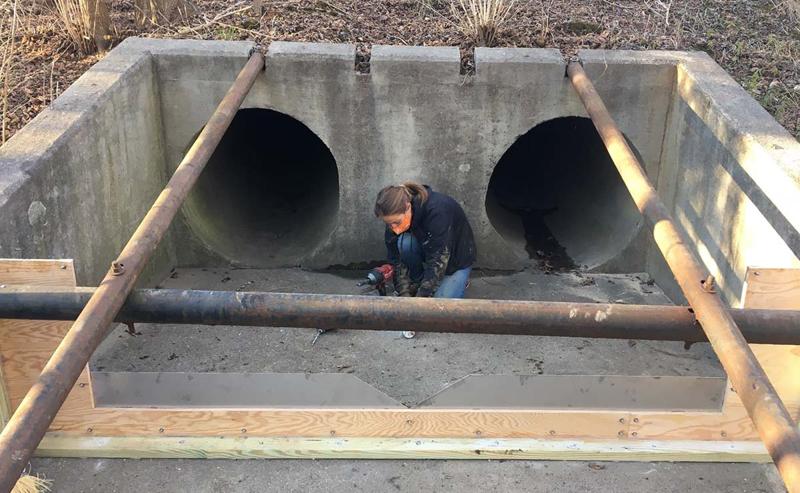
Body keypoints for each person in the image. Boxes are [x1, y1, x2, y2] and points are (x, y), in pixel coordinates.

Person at [374, 182, 477, 338]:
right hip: (428, 248)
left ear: (408, 207)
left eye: (397, 222)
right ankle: (419, 281)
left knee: (441, 312)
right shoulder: (395, 214)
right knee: (403, 242)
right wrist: (405, 296)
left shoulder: (438, 211)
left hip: (455, 259)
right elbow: (396, 259)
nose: (394, 228)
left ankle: (461, 280)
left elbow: (438, 261)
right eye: (389, 224)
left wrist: (418, 306)